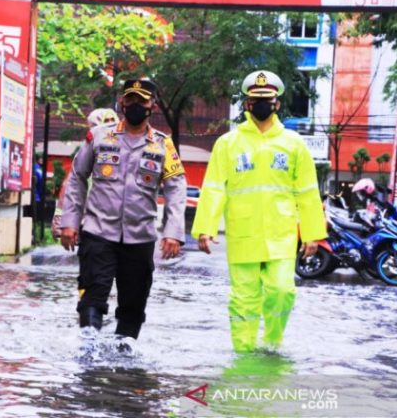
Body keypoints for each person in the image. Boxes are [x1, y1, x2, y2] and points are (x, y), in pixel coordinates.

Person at [191, 70, 327, 353]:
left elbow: (308, 192)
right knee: (243, 298)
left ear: (277, 103)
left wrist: (313, 234)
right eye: (255, 100)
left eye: (268, 100)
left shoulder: (294, 144)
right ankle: (243, 350)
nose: (262, 105)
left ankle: (273, 343)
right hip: (243, 233)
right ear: (247, 105)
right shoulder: (228, 143)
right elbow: (214, 187)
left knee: (282, 291)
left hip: (282, 234)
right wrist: (205, 227)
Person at [60, 78, 187, 341]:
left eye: (142, 100)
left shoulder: (164, 145)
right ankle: (89, 352)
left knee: (133, 306)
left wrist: (173, 232)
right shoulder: (98, 136)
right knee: (92, 296)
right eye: (130, 99)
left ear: (152, 105)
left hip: (140, 237)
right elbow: (76, 177)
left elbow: (176, 189)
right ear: (121, 102)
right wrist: (69, 222)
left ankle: (124, 359)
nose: (135, 105)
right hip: (98, 232)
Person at [51, 108, 120, 239]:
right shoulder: (89, 150)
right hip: (90, 221)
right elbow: (72, 184)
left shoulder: (124, 149)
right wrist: (61, 218)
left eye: (112, 122)